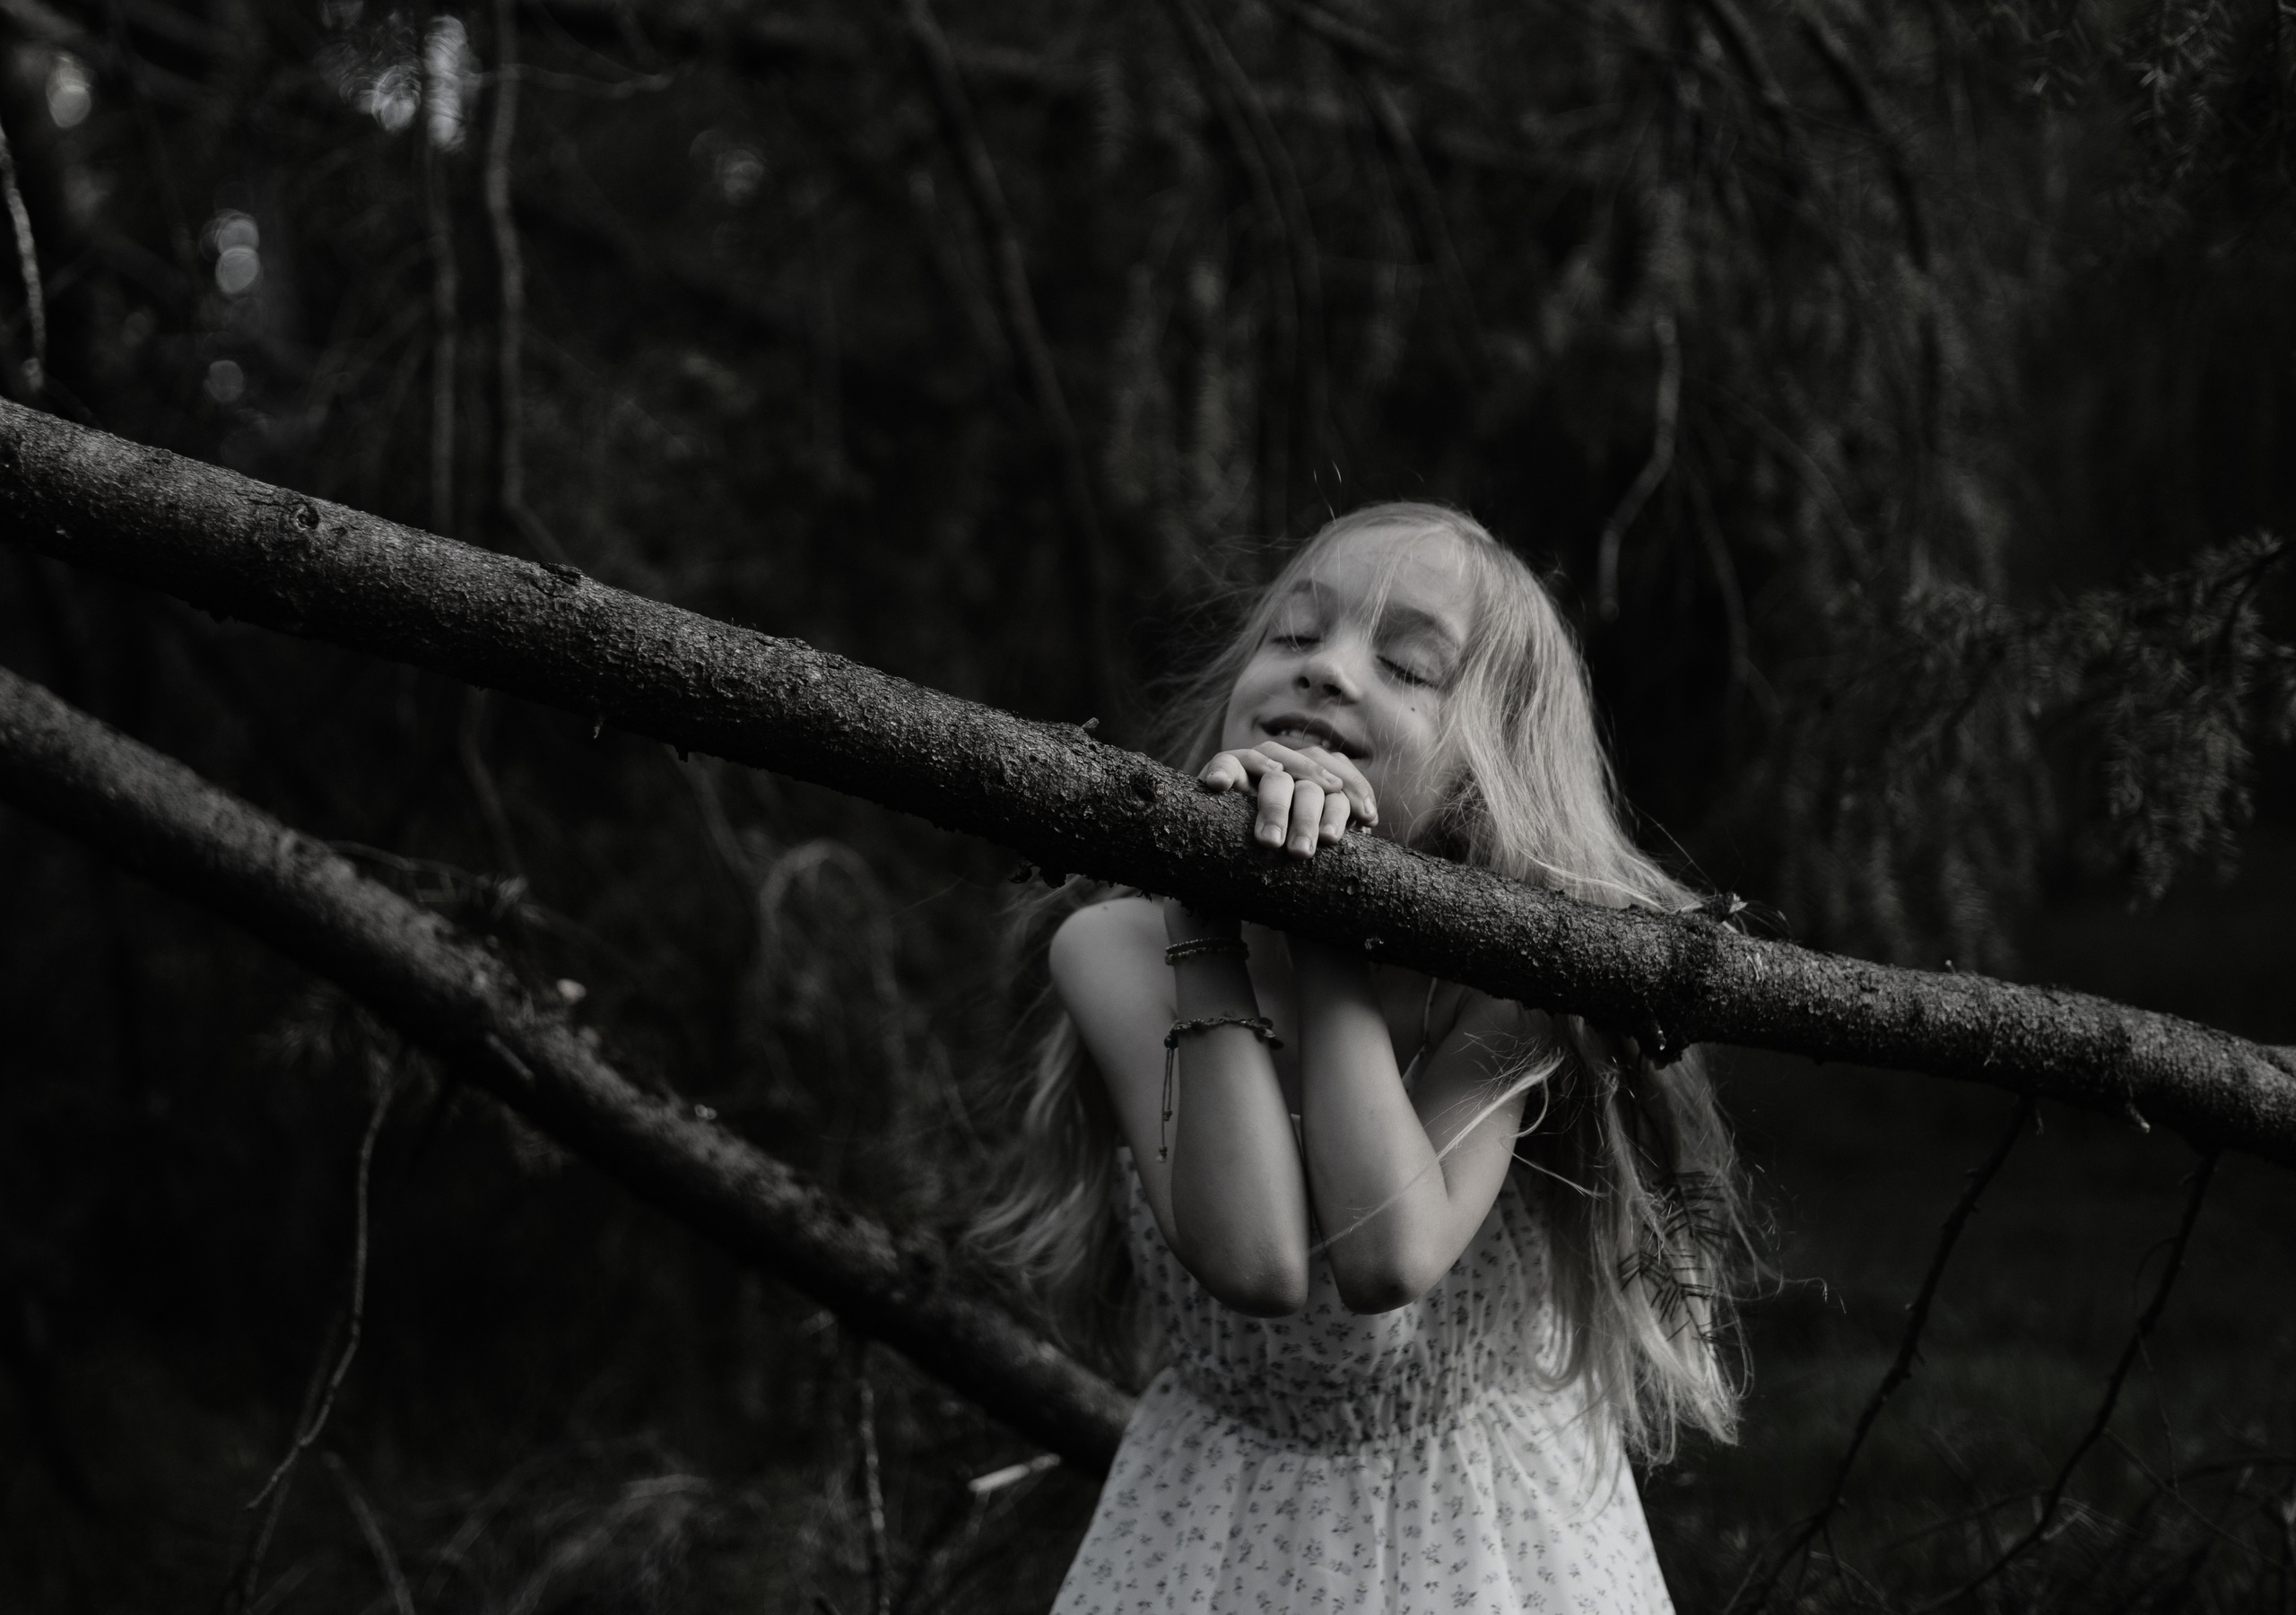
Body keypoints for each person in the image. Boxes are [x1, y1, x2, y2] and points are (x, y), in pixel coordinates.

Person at [975, 502, 1746, 1614]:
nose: (1326, 670)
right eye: (1293, 635)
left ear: (1487, 768)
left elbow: (1386, 1255)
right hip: (1213, 1531)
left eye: (1407, 666)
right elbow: (1256, 1264)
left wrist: (1332, 924)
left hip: (1479, 1536)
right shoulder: (1116, 948)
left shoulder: (1516, 980)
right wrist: (1208, 919)